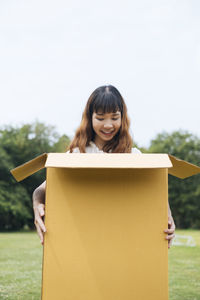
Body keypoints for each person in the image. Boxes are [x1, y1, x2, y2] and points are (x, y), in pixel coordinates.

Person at [33, 85, 176, 248]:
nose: (108, 125)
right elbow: (42, 189)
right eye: (100, 118)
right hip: (84, 243)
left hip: (124, 244)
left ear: (122, 118)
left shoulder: (133, 156)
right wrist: (37, 205)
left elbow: (155, 190)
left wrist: (168, 215)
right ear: (90, 117)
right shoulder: (77, 155)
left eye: (114, 118)